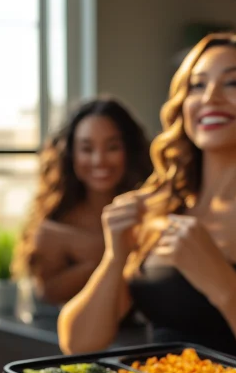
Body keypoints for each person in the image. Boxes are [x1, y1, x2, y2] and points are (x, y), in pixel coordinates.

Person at [58, 33, 236, 357]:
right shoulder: (160, 207)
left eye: (233, 83)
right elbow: (78, 343)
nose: (210, 97)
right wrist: (115, 257)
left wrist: (223, 285)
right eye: (197, 85)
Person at [12, 98, 151, 305]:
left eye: (112, 147)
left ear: (129, 151)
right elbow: (48, 294)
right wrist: (109, 256)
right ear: (71, 155)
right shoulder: (52, 230)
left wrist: (92, 254)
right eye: (87, 149)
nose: (99, 160)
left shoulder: (154, 210)